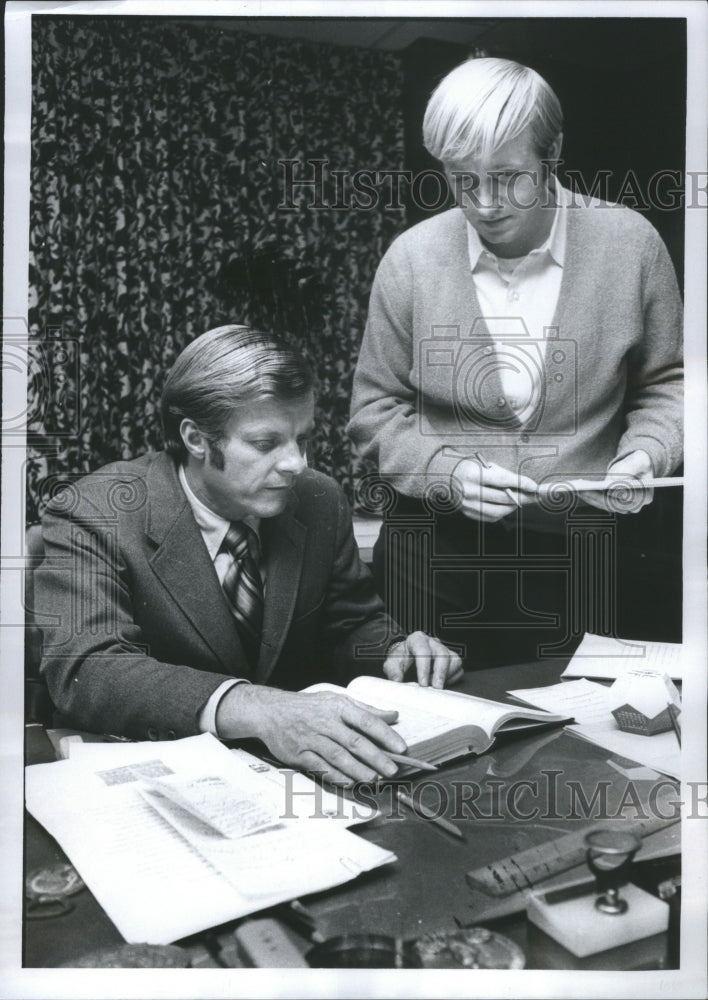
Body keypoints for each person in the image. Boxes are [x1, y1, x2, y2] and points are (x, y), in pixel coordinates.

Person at [348, 57, 683, 667]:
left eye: (507, 176)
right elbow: (373, 412)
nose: (484, 202)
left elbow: (669, 383)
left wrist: (647, 453)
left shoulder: (631, 244)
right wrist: (443, 470)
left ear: (553, 152)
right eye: (462, 178)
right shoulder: (410, 260)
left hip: (585, 554)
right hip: (432, 558)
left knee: (585, 740)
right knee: (430, 741)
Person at [36, 325, 462, 786]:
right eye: (266, 443)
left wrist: (396, 652)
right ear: (197, 440)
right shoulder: (94, 510)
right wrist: (257, 707)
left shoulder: (317, 499)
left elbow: (351, 622)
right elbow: (87, 667)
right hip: (151, 778)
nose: (296, 463)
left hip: (298, 779)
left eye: (302, 439)